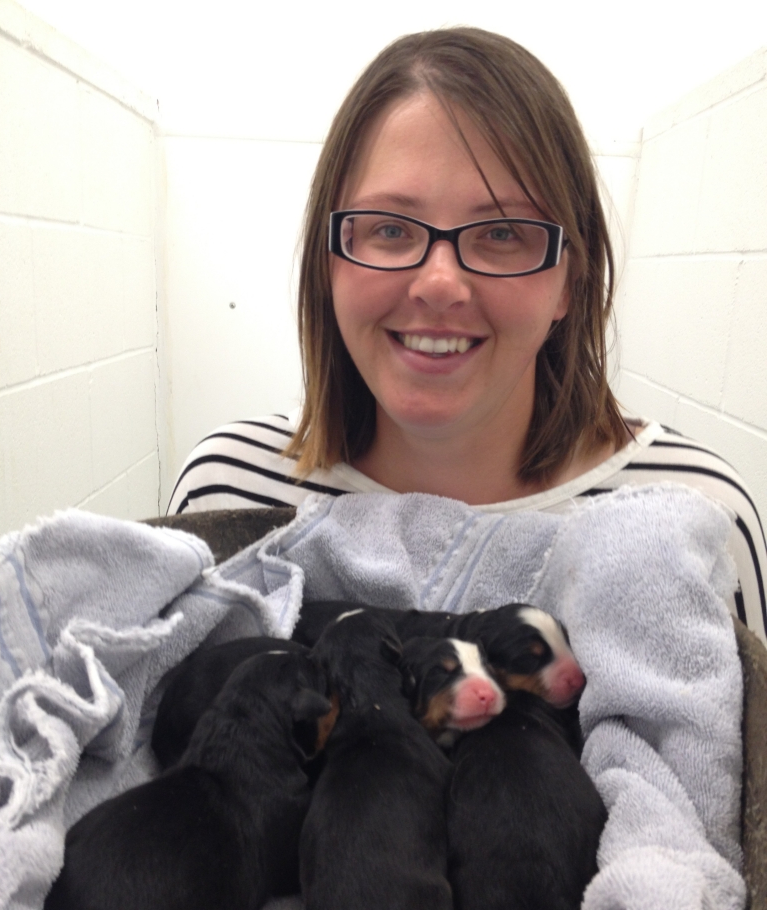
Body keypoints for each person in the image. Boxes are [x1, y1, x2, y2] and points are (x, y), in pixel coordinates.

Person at [166, 27, 766, 644]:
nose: (439, 284)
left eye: (503, 233)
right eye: (392, 230)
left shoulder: (698, 516)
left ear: (569, 283)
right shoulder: (226, 490)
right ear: (330, 262)